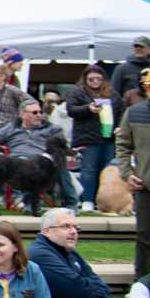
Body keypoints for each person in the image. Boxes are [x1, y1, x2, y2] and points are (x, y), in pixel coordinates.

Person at [0, 98, 65, 215]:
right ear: (22, 114)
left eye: (40, 112)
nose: (39, 115)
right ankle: (29, 205)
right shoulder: (11, 128)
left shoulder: (51, 128)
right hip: (18, 162)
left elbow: (61, 143)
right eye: (35, 113)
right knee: (16, 166)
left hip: (42, 161)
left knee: (59, 168)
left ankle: (70, 203)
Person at [62, 66, 117, 214]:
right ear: (85, 79)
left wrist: (119, 127)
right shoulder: (77, 92)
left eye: (98, 79)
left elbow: (120, 110)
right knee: (89, 170)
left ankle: (104, 200)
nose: (95, 82)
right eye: (91, 79)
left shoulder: (112, 94)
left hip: (109, 136)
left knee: (108, 171)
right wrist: (88, 108)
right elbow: (71, 110)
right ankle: (87, 200)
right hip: (88, 137)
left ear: (104, 79)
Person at [122, 68, 150, 278]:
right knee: (145, 238)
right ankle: (141, 285)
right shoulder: (133, 113)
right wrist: (126, 172)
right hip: (146, 186)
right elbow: (123, 144)